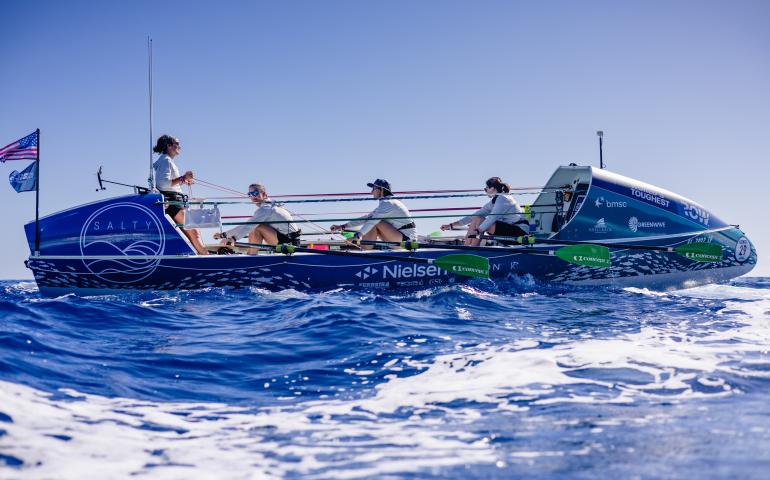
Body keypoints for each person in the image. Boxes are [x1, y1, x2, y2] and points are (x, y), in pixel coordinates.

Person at [152, 135, 209, 255]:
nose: (180, 146)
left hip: (176, 202)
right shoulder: (165, 160)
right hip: (174, 202)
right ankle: (206, 257)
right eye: (177, 143)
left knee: (192, 231)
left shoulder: (166, 161)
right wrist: (183, 177)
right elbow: (163, 184)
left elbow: (169, 183)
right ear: (169, 146)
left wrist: (183, 180)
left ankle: (204, 255)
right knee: (193, 232)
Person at [440, 176, 529, 246]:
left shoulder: (503, 198)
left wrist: (478, 230)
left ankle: (472, 250)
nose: (485, 191)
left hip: (520, 233)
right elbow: (474, 216)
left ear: (493, 188)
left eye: (486, 189)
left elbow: (492, 218)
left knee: (479, 220)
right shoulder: (494, 201)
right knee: (477, 218)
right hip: (510, 232)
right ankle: (467, 247)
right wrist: (451, 225)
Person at [214, 183, 300, 254]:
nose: (253, 196)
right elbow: (248, 224)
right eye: (250, 194)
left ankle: (250, 257)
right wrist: (225, 235)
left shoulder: (266, 208)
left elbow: (249, 226)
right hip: (285, 239)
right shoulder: (269, 205)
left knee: (256, 227)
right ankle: (250, 255)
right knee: (254, 226)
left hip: (289, 243)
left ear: (264, 194)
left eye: (255, 193)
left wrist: (232, 238)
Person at [330, 179, 416, 249]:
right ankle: (364, 248)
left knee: (375, 221)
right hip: (401, 237)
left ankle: (364, 249)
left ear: (381, 190)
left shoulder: (388, 203)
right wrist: (342, 226)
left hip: (406, 240)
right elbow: (366, 218)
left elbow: (371, 221)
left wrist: (356, 236)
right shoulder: (387, 203)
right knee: (373, 220)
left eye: (373, 189)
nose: (371, 192)